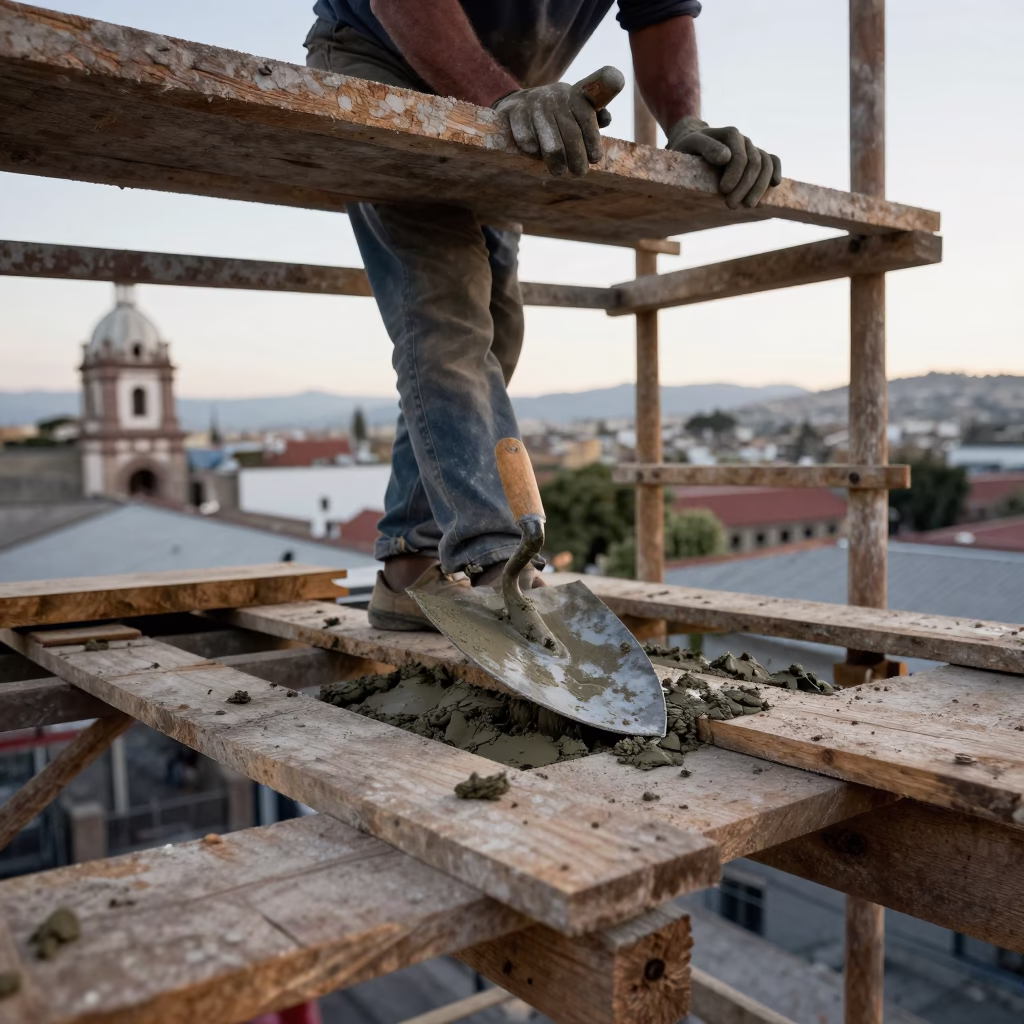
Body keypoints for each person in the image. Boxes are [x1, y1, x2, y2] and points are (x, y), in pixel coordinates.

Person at [304, 1, 780, 631]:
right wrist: (502, 95)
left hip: (507, 93)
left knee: (496, 334)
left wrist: (685, 123)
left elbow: (659, 12)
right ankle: (494, 554)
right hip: (382, 54)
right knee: (445, 308)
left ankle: (408, 564)